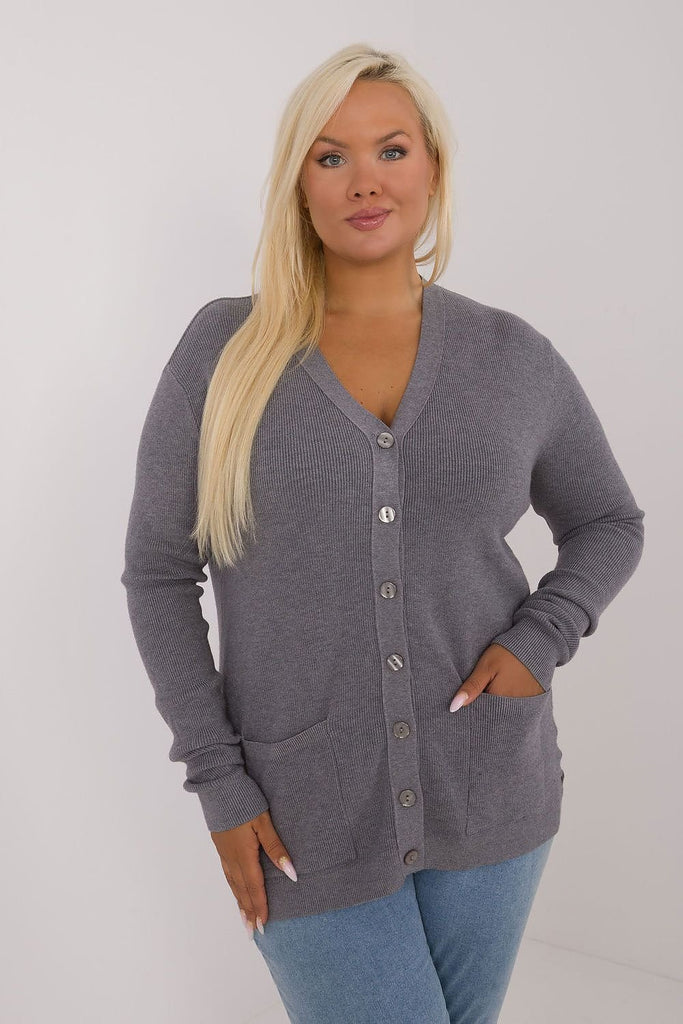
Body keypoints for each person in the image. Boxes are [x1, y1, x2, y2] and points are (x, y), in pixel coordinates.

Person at [120, 43, 645, 1024]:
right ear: (298, 185)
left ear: (432, 167)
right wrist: (219, 782)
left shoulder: (510, 356)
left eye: (391, 149)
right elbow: (158, 573)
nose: (365, 179)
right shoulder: (225, 352)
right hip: (299, 811)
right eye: (331, 157)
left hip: (492, 790)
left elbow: (607, 520)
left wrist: (540, 638)